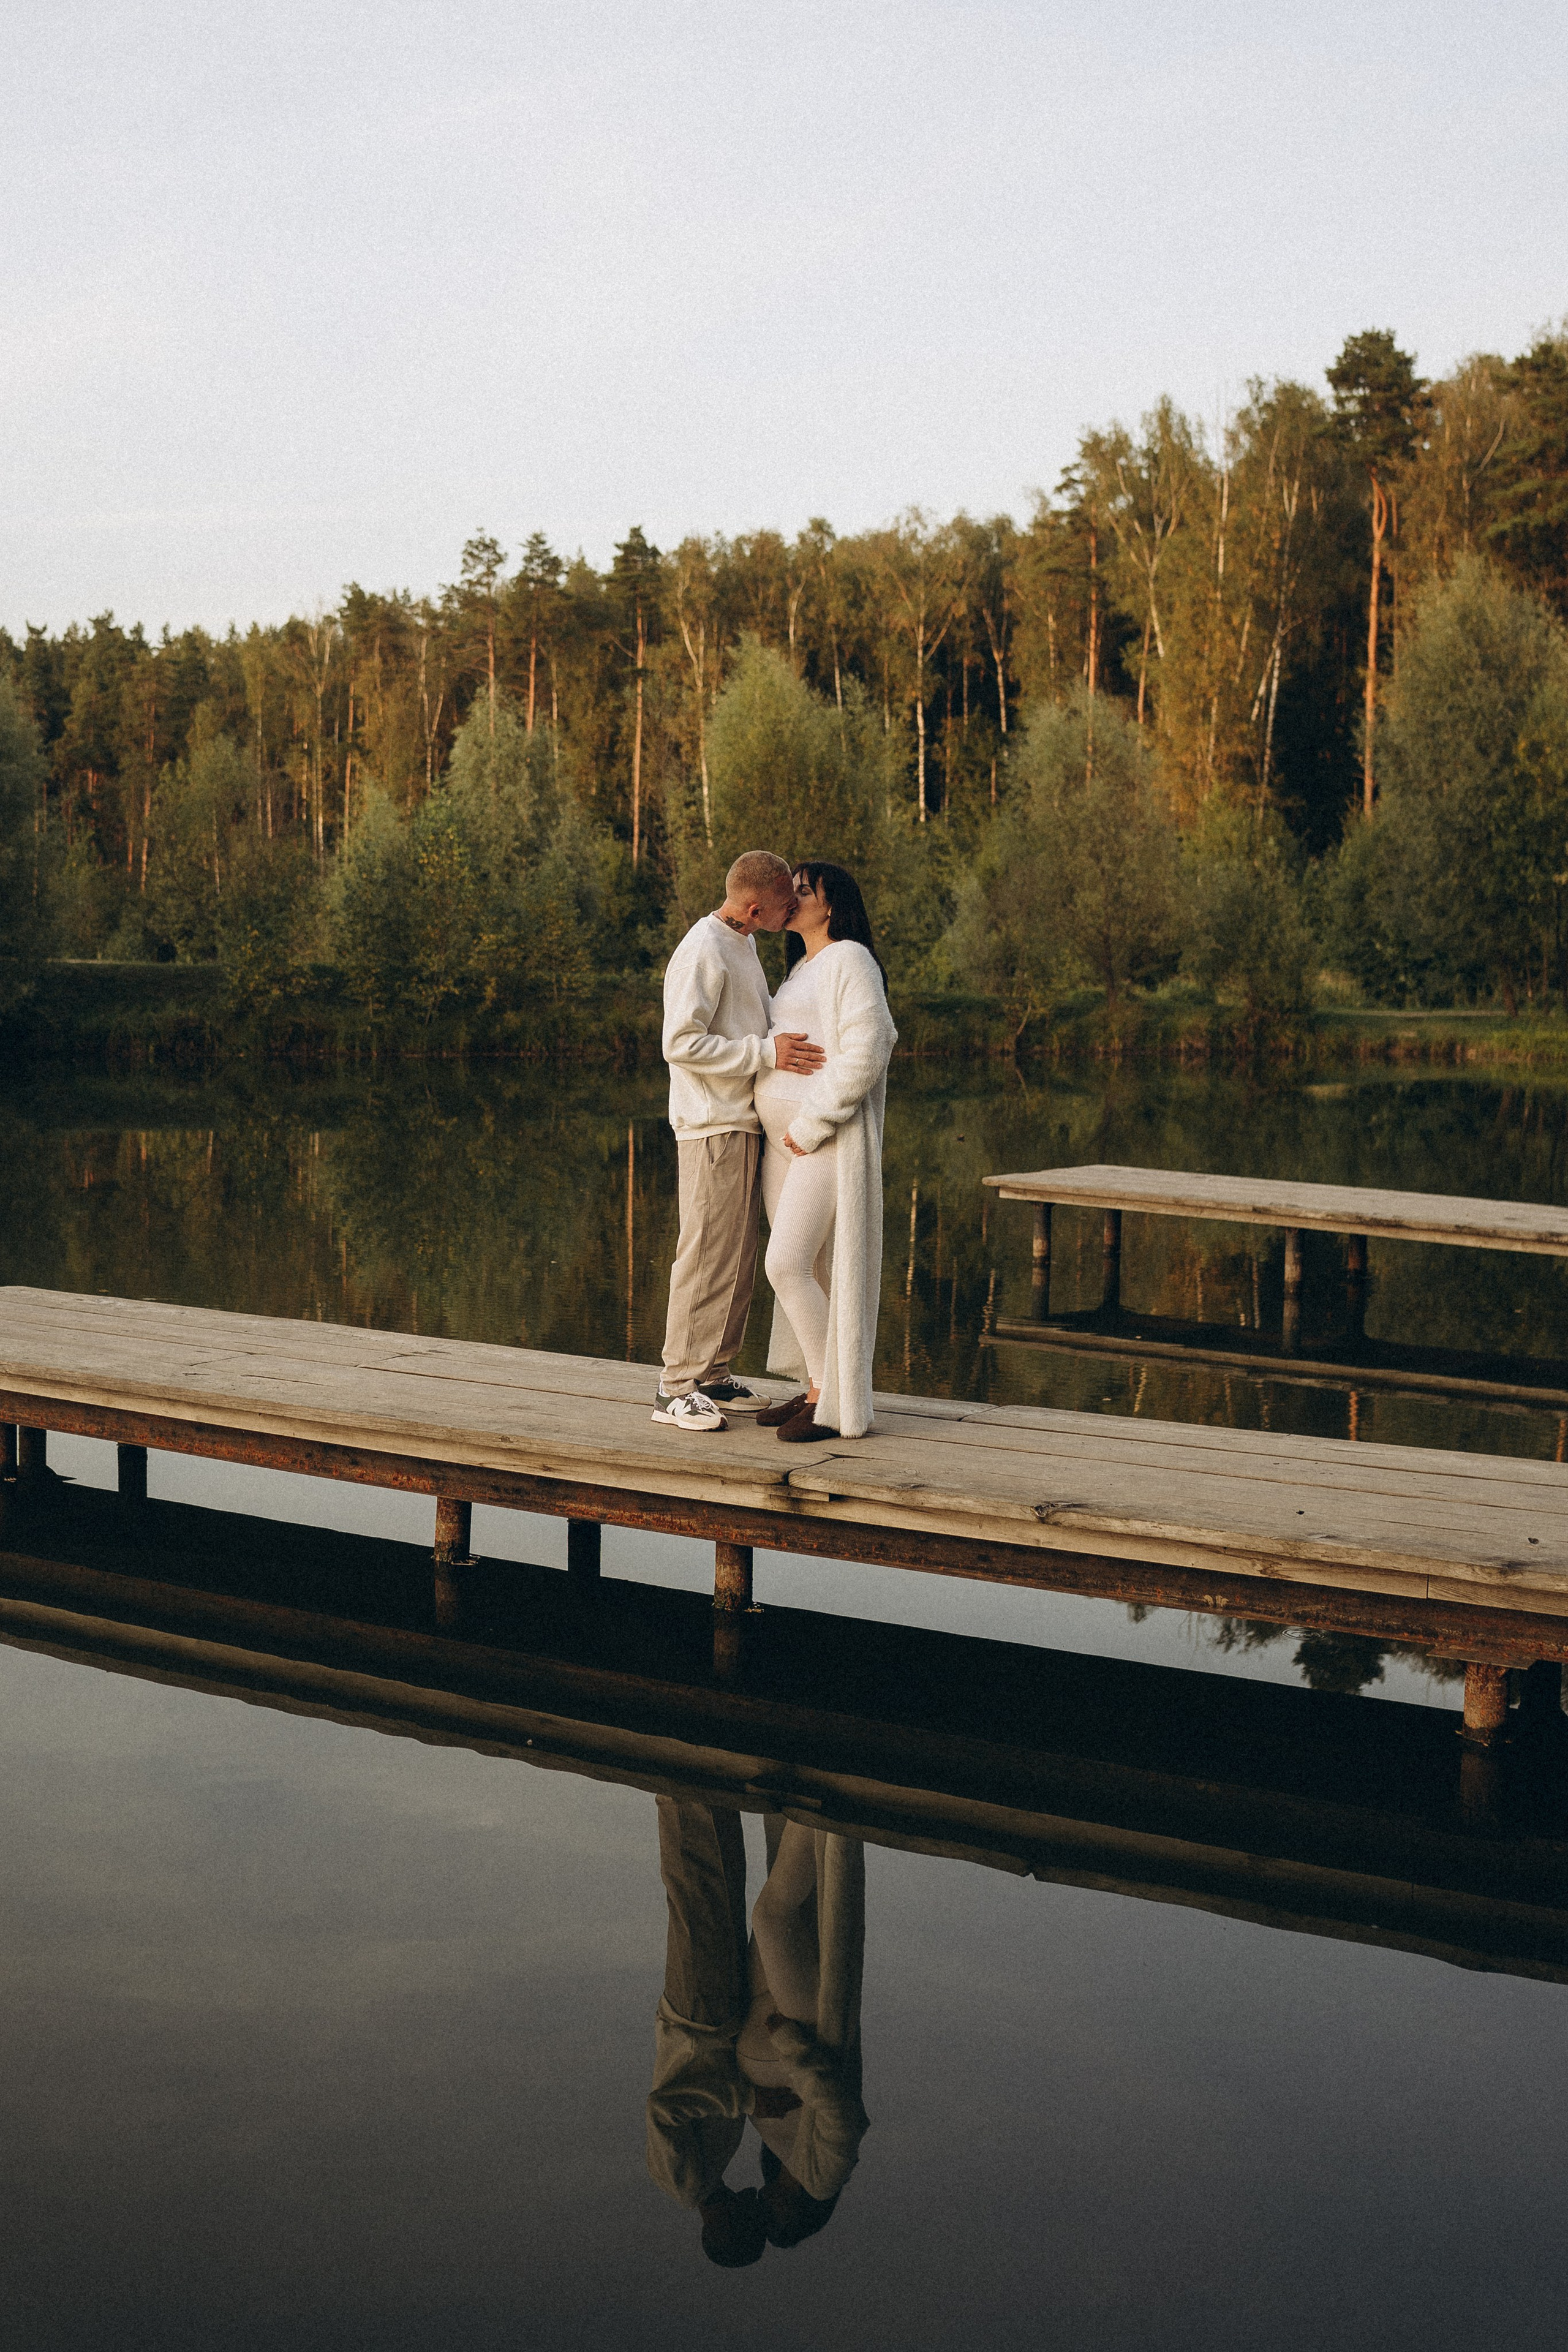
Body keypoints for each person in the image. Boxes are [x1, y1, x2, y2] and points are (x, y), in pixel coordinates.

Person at [645, 1796, 869, 2266]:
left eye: (752, 2226)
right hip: (728, 2021)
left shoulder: (684, 2184)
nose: (758, 2212)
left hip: (696, 2023)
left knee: (701, 1894)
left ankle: (686, 1784)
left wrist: (749, 2099)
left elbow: (665, 2109)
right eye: (767, 2224)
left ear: (723, 2229)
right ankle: (782, 1795)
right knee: (741, 1899)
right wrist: (774, 2058)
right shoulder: (806, 2171)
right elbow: (838, 2113)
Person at [654, 851, 825, 1434]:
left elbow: (749, 1021)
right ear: (756, 908)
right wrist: (764, 1055)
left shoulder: (743, 942)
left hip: (741, 1120)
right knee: (705, 1254)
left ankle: (714, 1375)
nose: (793, 908)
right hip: (711, 1123)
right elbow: (679, 1042)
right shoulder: (704, 948)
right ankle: (675, 1387)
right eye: (785, 903)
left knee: (738, 1258)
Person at [750, 862, 897, 1443]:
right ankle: (817, 1387)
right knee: (808, 1269)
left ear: (831, 905)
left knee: (784, 1264)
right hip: (782, 1147)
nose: (791, 897)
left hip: (822, 1141)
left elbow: (871, 1046)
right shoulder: (799, 970)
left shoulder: (850, 960)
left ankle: (831, 1398)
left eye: (803, 890)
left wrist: (812, 1124)